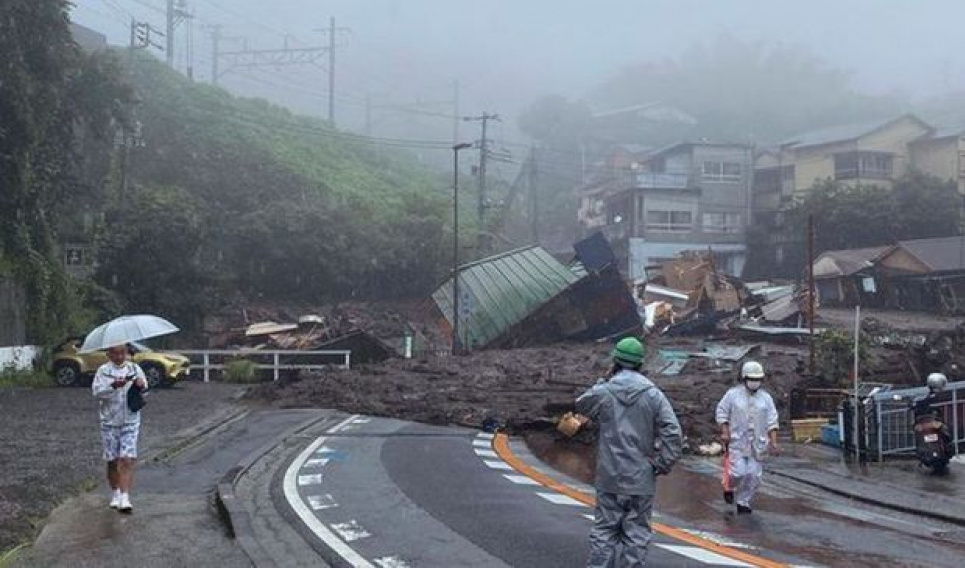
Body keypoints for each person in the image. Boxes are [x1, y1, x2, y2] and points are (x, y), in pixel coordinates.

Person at [575, 337, 683, 567]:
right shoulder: (653, 395)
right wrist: (662, 463)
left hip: (609, 474)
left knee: (604, 531)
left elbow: (582, 404)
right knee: (636, 534)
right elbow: (673, 432)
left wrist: (603, 381)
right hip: (640, 476)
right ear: (641, 363)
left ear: (615, 361)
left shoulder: (605, 391)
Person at [715, 360, 779, 514]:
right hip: (737, 441)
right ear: (744, 378)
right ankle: (729, 486)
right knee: (737, 473)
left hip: (757, 444)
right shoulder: (732, 395)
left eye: (757, 379)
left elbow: (772, 420)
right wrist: (725, 431)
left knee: (753, 476)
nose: (754, 382)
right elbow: (722, 412)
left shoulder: (766, 399)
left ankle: (744, 502)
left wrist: (774, 442)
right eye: (752, 379)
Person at [91, 344, 147, 514]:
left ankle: (125, 496)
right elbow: (96, 392)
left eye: (122, 353)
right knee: (112, 459)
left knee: (127, 458)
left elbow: (145, 388)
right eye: (115, 353)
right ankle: (115, 491)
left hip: (130, 419)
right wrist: (113, 386)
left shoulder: (134, 368)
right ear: (108, 354)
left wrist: (140, 384)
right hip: (109, 421)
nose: (119, 356)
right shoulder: (103, 371)